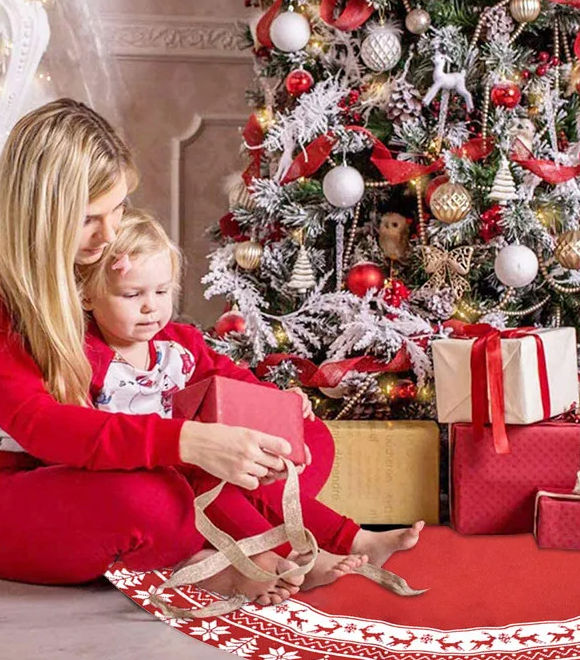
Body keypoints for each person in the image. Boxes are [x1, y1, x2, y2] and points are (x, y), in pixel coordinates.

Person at [0, 99, 317, 605]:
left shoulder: (92, 251)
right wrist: (189, 442)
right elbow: (38, 424)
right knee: (156, 500)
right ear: (43, 212)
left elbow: (164, 349)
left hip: (88, 465)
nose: (109, 236)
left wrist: (260, 410)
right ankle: (202, 554)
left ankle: (210, 550)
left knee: (304, 443)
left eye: (119, 209)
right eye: (90, 219)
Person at [78, 207, 425, 596]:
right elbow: (88, 433)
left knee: (258, 470)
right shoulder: (87, 357)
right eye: (132, 294)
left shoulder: (179, 343)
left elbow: (230, 378)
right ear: (88, 296)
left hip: (209, 459)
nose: (151, 307)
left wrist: (275, 403)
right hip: (157, 480)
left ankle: (354, 538)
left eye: (161, 292)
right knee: (220, 483)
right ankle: (296, 555)